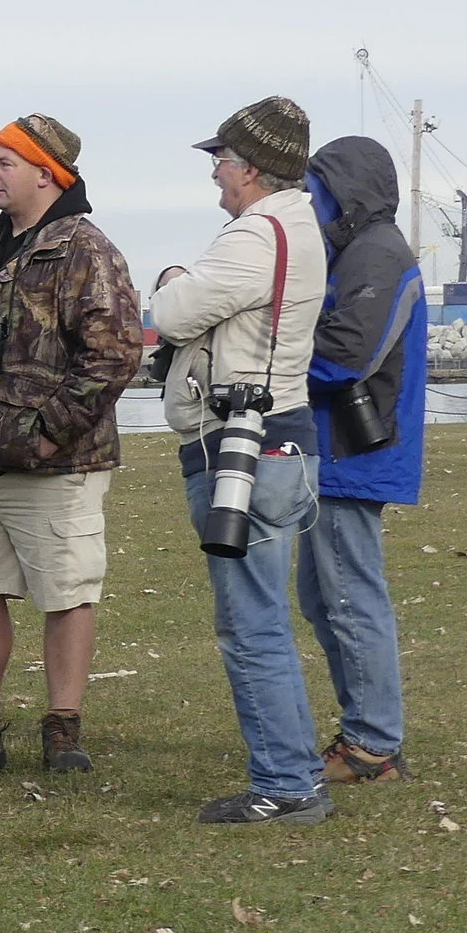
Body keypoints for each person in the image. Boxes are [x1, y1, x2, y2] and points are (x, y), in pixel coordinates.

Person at [0, 116, 141, 775]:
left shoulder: (86, 249)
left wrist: (49, 433)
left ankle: (63, 727)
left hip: (59, 465)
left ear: (47, 172)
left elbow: (115, 352)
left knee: (65, 590)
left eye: (3, 161)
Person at [150, 98, 331, 825]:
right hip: (283, 440)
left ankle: (286, 781)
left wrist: (170, 277)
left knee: (250, 622)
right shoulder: (298, 227)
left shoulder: (254, 236)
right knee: (266, 618)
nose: (216, 177)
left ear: (253, 168)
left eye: (221, 162)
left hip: (241, 451)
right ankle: (295, 772)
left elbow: (168, 314)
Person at [302, 136, 425, 784]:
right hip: (336, 453)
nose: (309, 198)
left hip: (353, 452)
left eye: (317, 185)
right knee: (326, 596)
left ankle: (373, 743)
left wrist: (276, 341)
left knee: (349, 595)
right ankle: (364, 732)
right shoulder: (356, 251)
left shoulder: (377, 253)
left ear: (343, 189)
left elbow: (349, 354)